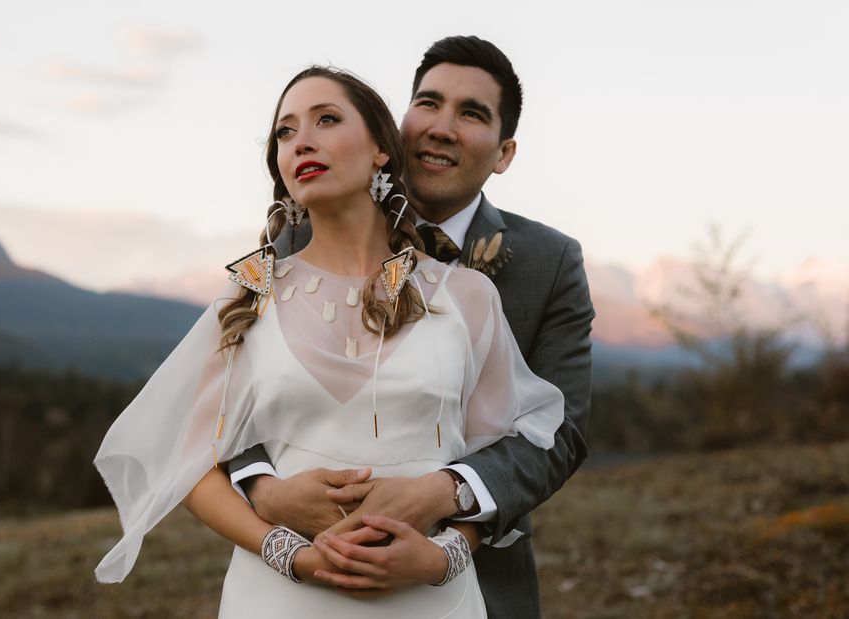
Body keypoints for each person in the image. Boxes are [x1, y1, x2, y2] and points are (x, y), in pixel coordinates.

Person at [93, 65, 565, 618]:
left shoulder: (466, 295)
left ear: (381, 150)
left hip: (429, 601)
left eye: (326, 119)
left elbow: (505, 443)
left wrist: (445, 557)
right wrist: (291, 553)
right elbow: (192, 461)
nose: (302, 141)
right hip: (278, 599)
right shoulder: (250, 291)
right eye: (285, 132)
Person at [228, 36, 595, 619]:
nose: (441, 127)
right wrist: (268, 492)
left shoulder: (549, 262)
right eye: (427, 103)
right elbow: (237, 400)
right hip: (302, 575)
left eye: (471, 114)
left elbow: (560, 431)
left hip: (469, 581)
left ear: (504, 153)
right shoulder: (299, 237)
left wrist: (443, 496)